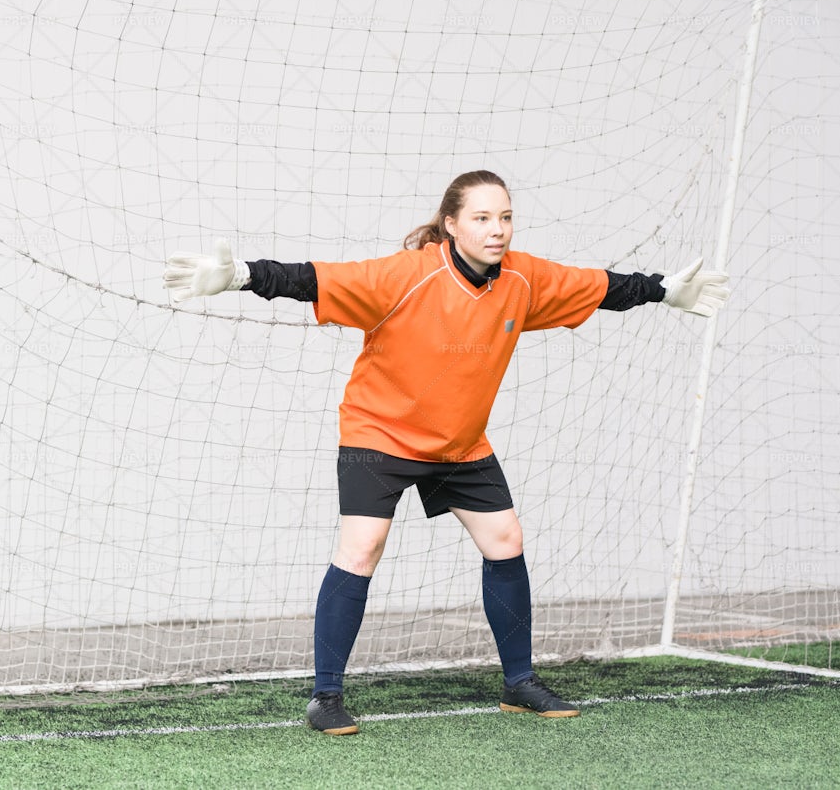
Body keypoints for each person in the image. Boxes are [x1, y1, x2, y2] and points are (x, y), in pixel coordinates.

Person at [163, 170, 730, 735]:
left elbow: (598, 287)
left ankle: (519, 683)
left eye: (505, 217)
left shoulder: (523, 279)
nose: (498, 229)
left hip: (460, 444)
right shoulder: (406, 275)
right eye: (482, 218)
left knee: (506, 541)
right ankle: (326, 696)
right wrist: (240, 275)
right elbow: (313, 279)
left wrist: (664, 289)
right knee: (362, 550)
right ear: (451, 225)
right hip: (379, 435)